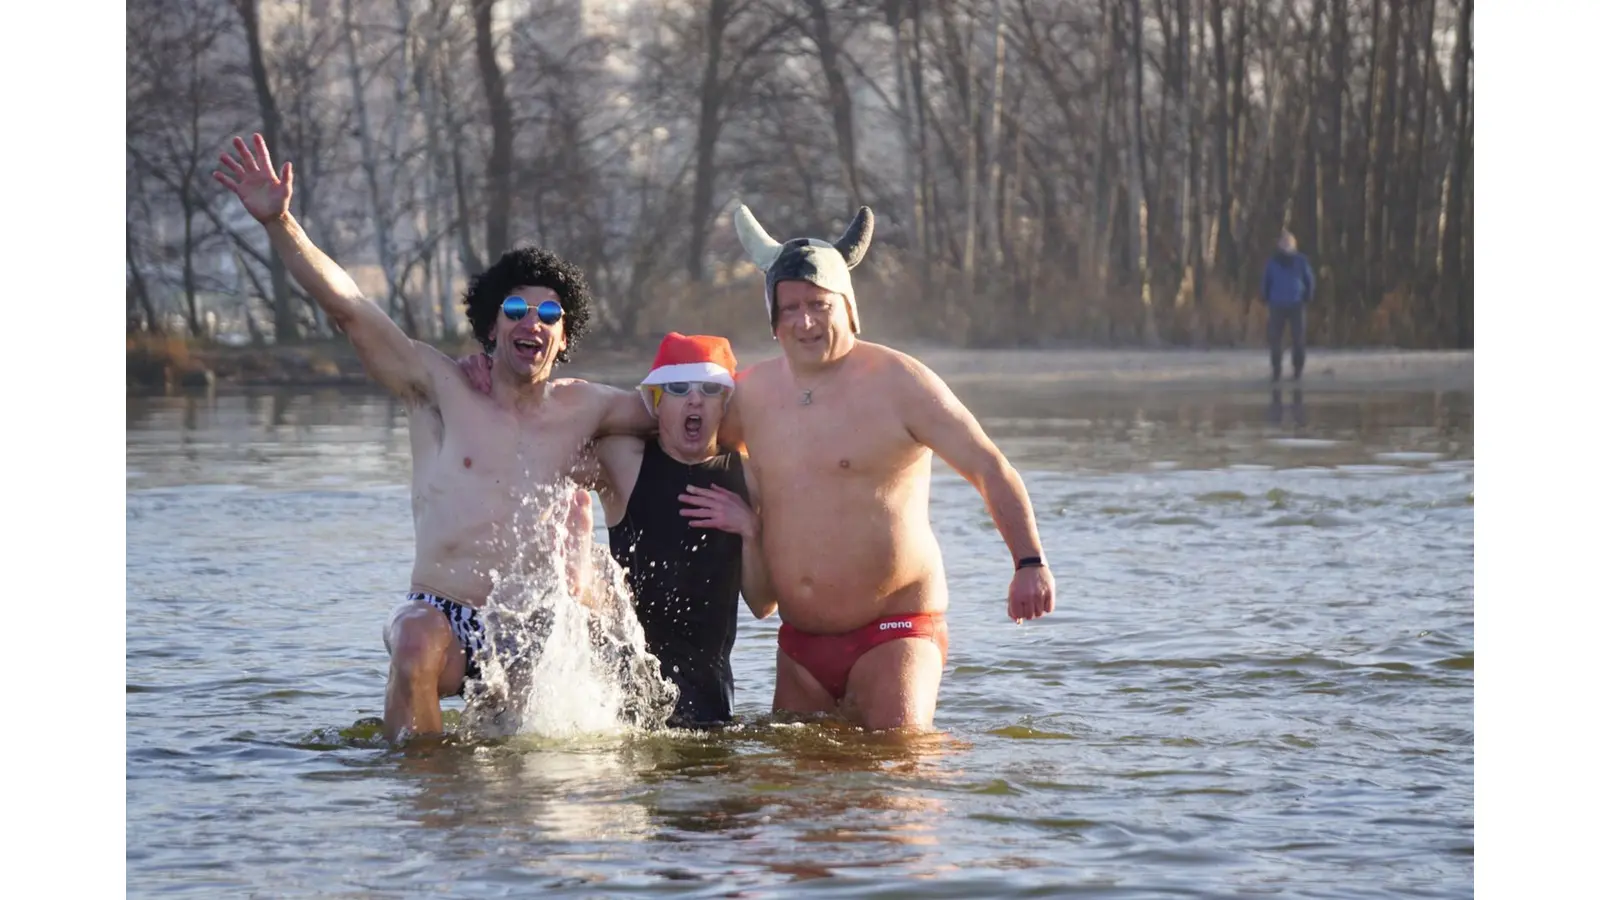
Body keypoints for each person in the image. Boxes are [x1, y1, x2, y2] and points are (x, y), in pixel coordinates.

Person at [212, 133, 659, 743]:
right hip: (444, 615)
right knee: (414, 640)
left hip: (526, 624)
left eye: (550, 315)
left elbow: (688, 410)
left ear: (563, 337)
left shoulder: (588, 406)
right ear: (492, 326)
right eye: (516, 310)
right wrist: (280, 223)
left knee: (545, 739)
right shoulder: (439, 388)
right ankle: (423, 777)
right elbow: (350, 307)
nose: (532, 322)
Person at [722, 203, 1056, 731]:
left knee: (899, 770)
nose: (804, 322)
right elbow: (681, 444)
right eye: (790, 309)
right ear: (773, 319)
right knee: (792, 782)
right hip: (799, 646)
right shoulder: (751, 394)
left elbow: (988, 467)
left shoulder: (900, 382)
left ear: (848, 308)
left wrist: (1029, 562)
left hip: (895, 631)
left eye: (818, 305)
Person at [463, 333, 779, 728]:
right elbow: (540, 436)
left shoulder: (747, 478)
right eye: (678, 389)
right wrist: (497, 375)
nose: (695, 400)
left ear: (725, 404)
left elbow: (763, 606)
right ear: (656, 403)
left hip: (711, 699)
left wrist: (750, 529)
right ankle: (582, 586)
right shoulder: (624, 460)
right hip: (622, 699)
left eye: (709, 389)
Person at [1260, 230, 1316, 381]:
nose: (1286, 245)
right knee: (1275, 339)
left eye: (1289, 242)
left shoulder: (1301, 261)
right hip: (1277, 304)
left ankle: (1298, 369)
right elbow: (1266, 280)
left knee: (1298, 338)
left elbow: (1309, 279)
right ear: (1279, 244)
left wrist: (1308, 295)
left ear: (1294, 244)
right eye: (1284, 242)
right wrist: (1264, 295)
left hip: (1296, 303)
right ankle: (1276, 369)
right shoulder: (1273, 262)